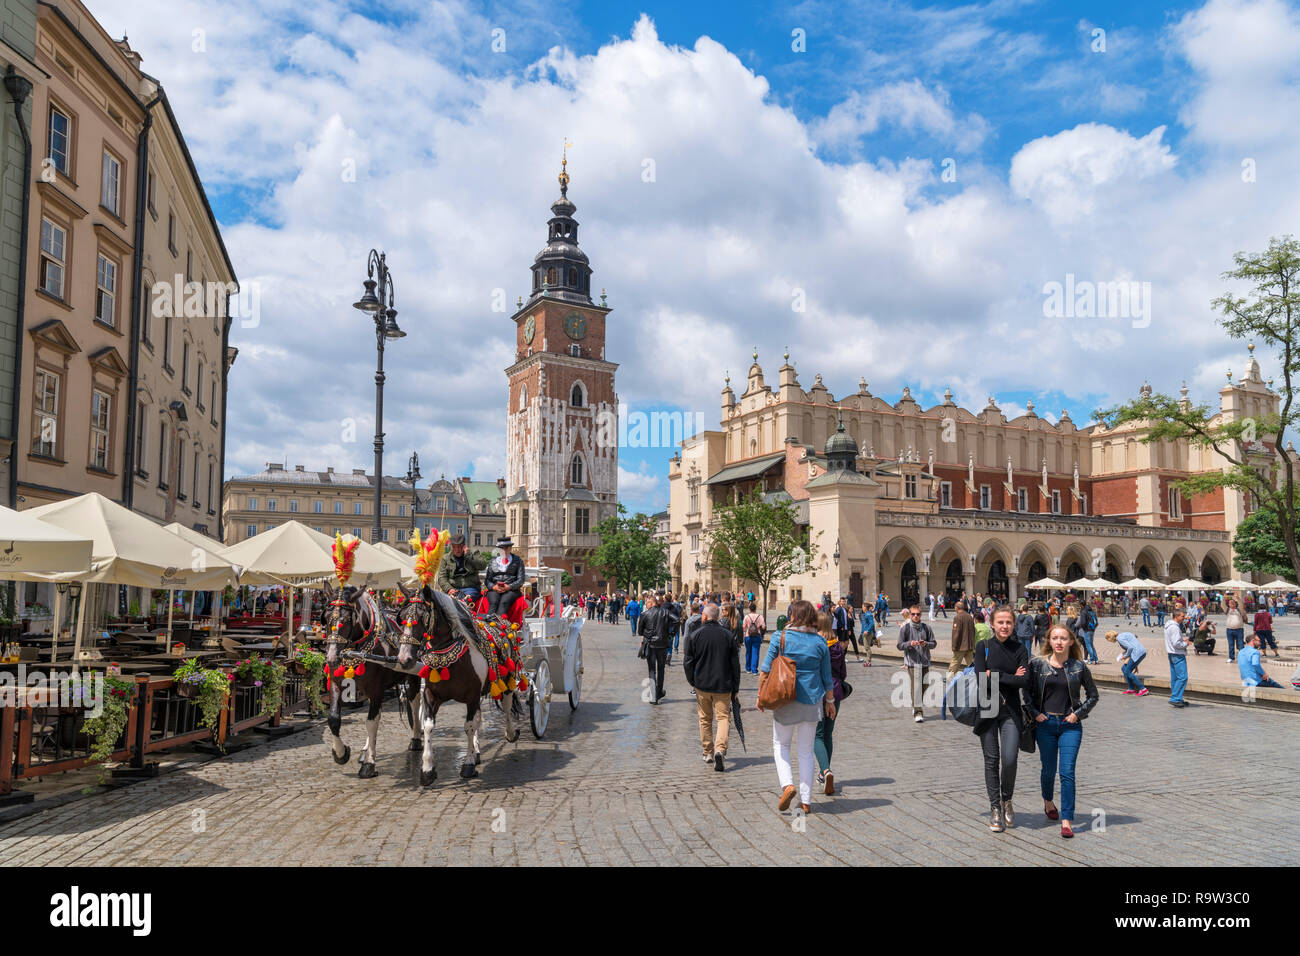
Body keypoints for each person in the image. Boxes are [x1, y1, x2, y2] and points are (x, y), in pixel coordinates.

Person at [1024, 623, 1099, 839]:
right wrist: (1036, 713)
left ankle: (1066, 820)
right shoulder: (1037, 665)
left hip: (1070, 726)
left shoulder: (1079, 667)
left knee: (1067, 772)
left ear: (1071, 641)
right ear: (1049, 641)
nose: (1058, 642)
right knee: (1048, 770)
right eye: (1054, 638)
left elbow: (1093, 695)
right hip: (1045, 725)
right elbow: (1026, 693)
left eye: (1063, 638)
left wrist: (1078, 714)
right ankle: (1048, 801)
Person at [759, 600, 833, 815]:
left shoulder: (780, 637)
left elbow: (765, 670)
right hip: (812, 701)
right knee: (806, 751)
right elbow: (827, 678)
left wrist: (760, 695)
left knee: (780, 745)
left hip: (785, 699)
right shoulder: (820, 643)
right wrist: (830, 703)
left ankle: (787, 785)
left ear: (792, 616)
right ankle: (806, 801)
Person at [973, 606, 1030, 833]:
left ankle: (1007, 799)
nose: (1004, 626)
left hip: (1011, 711)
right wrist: (1009, 677)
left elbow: (1023, 682)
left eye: (1008, 622)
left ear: (1013, 625)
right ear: (992, 624)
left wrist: (994, 675)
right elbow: (980, 678)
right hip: (988, 708)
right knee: (991, 759)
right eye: (1000, 622)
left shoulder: (1020, 649)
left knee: (1009, 759)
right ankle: (995, 807)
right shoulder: (983, 647)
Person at [684, 603, 741, 771]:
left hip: (702, 683)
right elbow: (735, 664)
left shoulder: (695, 635)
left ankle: (708, 752)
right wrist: (736, 687)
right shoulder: (727, 635)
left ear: (705, 616)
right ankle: (720, 750)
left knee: (705, 719)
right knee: (723, 718)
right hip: (723, 684)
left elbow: (688, 662)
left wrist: (692, 681)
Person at [813, 610, 847, 796]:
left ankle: (825, 771)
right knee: (828, 733)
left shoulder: (816, 646)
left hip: (819, 691)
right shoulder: (837, 646)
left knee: (816, 735)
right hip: (836, 691)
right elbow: (843, 673)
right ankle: (823, 772)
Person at [896, 604, 936, 722]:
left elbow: (933, 643)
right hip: (912, 662)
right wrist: (909, 644)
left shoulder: (927, 628)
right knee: (917, 687)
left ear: (921, 615)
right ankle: (918, 712)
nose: (915, 616)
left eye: (918, 614)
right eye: (913, 614)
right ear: (910, 615)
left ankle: (915, 704)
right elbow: (899, 645)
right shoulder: (905, 628)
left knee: (925, 685)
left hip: (924, 661)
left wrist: (926, 644)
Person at [434, 533, 487, 605]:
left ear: (464, 546)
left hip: (470, 588)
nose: (457, 550)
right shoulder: (446, 558)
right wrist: (449, 589)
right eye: (454, 547)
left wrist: (468, 556)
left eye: (460, 546)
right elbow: (441, 577)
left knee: (463, 604)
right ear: (451, 546)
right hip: (453, 588)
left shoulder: (474, 553)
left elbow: (482, 565)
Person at [638, 594, 670, 704]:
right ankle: (659, 691)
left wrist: (647, 633)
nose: (646, 605)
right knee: (661, 669)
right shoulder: (665, 612)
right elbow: (676, 620)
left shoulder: (645, 614)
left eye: (647, 603)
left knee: (652, 670)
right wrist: (670, 633)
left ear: (651, 603)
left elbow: (639, 631)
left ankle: (653, 696)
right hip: (662, 644)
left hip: (650, 644)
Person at [484, 537, 525, 617]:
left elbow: (521, 580)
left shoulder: (518, 560)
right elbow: (487, 580)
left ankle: (500, 626)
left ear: (510, 548)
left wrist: (509, 587)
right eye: (501, 548)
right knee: (494, 601)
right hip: (495, 589)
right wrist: (494, 587)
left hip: (512, 590)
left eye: (506, 548)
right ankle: (489, 625)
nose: (503, 550)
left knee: (504, 602)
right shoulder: (493, 561)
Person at [1105, 628, 1149, 696]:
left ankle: (1143, 689)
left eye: (1108, 640)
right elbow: (1134, 645)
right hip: (1141, 652)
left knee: (1127, 671)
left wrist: (1125, 656)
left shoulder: (1120, 639)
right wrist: (1135, 666)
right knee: (1124, 668)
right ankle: (1131, 689)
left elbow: (1130, 648)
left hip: (1137, 653)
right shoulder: (1124, 634)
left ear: (1110, 638)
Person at [1165, 608, 1192, 708]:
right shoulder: (1175, 628)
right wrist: (1186, 643)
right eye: (1182, 616)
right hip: (1178, 654)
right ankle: (1175, 698)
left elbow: (1174, 640)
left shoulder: (1168, 625)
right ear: (1176, 617)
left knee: (1175, 677)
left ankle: (1178, 698)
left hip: (1171, 653)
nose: (1183, 618)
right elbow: (1177, 644)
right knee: (1182, 677)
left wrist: (1182, 640)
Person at [950, 604, 976, 676]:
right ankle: (974, 677)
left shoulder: (957, 617)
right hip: (969, 645)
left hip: (960, 646)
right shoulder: (969, 616)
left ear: (956, 608)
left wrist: (954, 646)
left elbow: (956, 633)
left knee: (955, 663)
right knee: (970, 664)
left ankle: (949, 678)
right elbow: (973, 631)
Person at [741, 602, 765, 675]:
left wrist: (746, 630)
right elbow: (763, 627)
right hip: (757, 636)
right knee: (755, 653)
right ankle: (754, 670)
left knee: (748, 652)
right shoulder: (760, 616)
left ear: (749, 609)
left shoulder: (747, 616)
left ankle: (748, 669)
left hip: (748, 636)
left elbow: (743, 627)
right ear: (755, 608)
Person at [1075, 599, 1100, 664]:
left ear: (1081, 605)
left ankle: (1092, 660)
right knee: (1091, 644)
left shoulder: (1084, 612)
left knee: (1088, 645)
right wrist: (1093, 628)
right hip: (1092, 629)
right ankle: (1096, 659)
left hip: (1087, 630)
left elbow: (1083, 622)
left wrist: (1084, 628)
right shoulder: (1092, 611)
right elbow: (1097, 622)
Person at [1224, 597, 1245, 663]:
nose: (1231, 604)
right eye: (1230, 603)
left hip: (1239, 630)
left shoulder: (1239, 610)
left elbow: (1241, 605)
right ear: (1229, 604)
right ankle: (1231, 657)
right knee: (1231, 644)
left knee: (1240, 644)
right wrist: (1223, 598)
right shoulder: (1227, 610)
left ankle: (1242, 658)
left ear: (1235, 604)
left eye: (1233, 603)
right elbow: (1222, 605)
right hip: (1229, 630)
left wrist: (1238, 598)